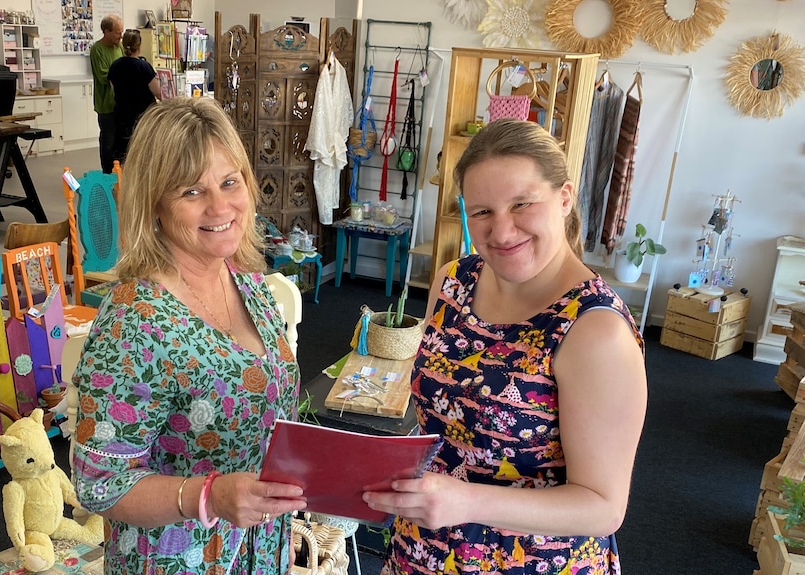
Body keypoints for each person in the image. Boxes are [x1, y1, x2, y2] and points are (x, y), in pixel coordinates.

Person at [364, 118, 648, 574]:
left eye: (522, 204)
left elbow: (602, 508)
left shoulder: (594, 331)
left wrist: (466, 501)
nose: (501, 232)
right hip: (421, 551)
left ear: (565, 197)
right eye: (481, 212)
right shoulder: (454, 281)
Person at [71, 97, 306, 575]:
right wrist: (210, 495)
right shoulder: (133, 323)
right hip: (178, 560)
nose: (220, 207)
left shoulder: (248, 281)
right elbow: (100, 483)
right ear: (154, 204)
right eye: (191, 192)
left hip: (260, 549)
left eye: (229, 181)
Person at [107, 29, 160, 163]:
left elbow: (114, 90)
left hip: (122, 117)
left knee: (124, 156)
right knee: (143, 155)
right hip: (142, 118)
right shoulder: (144, 66)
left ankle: (124, 181)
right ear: (139, 46)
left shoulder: (115, 66)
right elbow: (158, 91)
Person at [90, 14, 123, 173]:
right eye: (117, 32)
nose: (120, 36)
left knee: (120, 141)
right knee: (108, 142)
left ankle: (119, 174)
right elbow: (104, 76)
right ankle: (107, 174)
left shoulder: (120, 47)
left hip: (120, 104)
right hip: (106, 105)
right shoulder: (97, 50)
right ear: (106, 31)